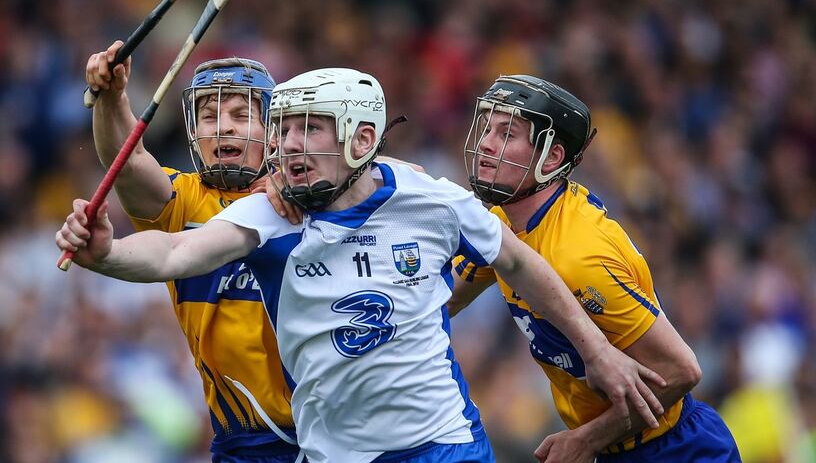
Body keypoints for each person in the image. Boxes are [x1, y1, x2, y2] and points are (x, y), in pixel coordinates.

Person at [59, 67, 667, 463]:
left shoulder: (429, 199)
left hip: (445, 445)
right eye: (286, 130)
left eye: (311, 129)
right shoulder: (272, 215)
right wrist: (108, 255)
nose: (292, 144)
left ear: (360, 137)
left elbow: (519, 261)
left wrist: (596, 351)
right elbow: (176, 251)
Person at [448, 75, 741, 463]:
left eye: (507, 133)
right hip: (610, 447)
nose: (485, 142)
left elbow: (681, 369)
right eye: (487, 127)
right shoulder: (503, 223)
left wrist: (586, 440)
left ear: (551, 158)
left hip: (673, 450)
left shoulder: (579, 256)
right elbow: (443, 297)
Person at [83, 41, 299, 462]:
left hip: (335, 432)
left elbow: (393, 178)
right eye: (209, 116)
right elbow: (126, 163)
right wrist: (112, 97)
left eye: (240, 116)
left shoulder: (308, 195)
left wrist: (293, 180)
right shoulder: (185, 199)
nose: (223, 127)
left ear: (272, 130)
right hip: (247, 443)